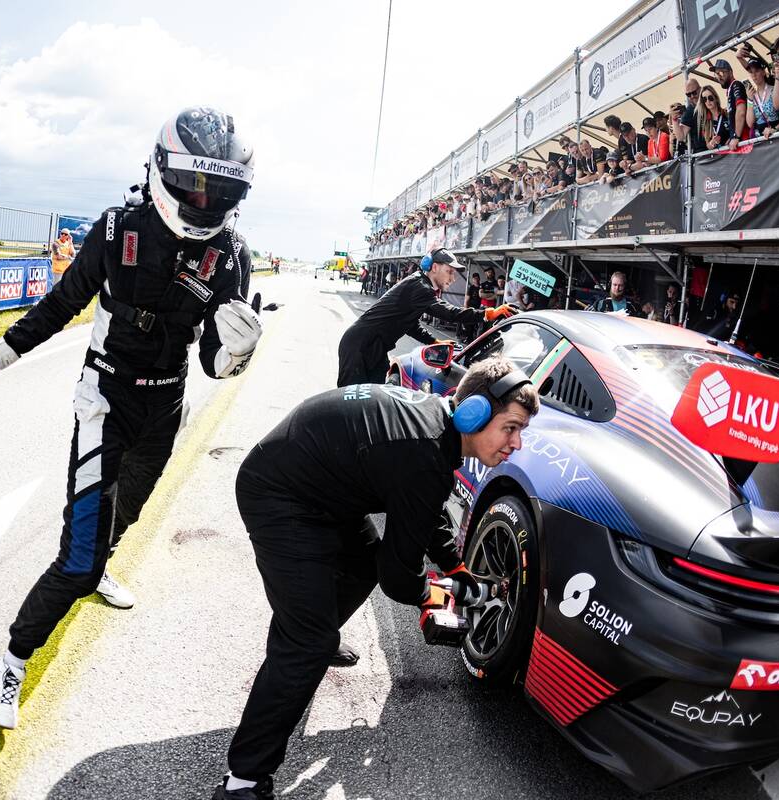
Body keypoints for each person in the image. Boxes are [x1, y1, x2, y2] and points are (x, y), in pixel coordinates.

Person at [0, 107, 263, 730]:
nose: (204, 201)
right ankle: (13, 659)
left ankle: (98, 567)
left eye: (219, 191)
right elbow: (59, 305)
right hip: (105, 403)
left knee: (126, 516)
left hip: (167, 407)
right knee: (78, 560)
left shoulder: (230, 254)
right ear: (163, 171)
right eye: (195, 185)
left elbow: (211, 362)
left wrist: (237, 353)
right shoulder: (117, 229)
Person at [213, 358, 540, 800]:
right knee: (305, 641)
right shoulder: (424, 452)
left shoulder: (436, 431)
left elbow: (425, 512)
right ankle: (243, 781)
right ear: (474, 414)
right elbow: (398, 579)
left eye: (521, 431)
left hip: (323, 487)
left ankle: (319, 633)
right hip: (280, 494)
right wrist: (435, 592)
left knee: (362, 562)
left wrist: (456, 569)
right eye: (511, 428)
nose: (516, 443)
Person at [336, 249, 513, 386]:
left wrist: (434, 341)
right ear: (435, 267)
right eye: (449, 271)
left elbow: (411, 325)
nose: (453, 278)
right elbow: (450, 313)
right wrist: (487, 314)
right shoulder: (420, 286)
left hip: (373, 347)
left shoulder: (418, 284)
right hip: (359, 346)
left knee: (371, 399)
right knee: (350, 401)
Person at [743, 57, 779, 137]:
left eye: (756, 71)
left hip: (777, 136)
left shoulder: (773, 89)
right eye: (751, 72)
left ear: (763, 72)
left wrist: (774, 129)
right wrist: (749, 100)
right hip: (761, 139)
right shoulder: (752, 96)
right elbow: (750, 123)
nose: (754, 75)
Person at [711, 58, 748, 140]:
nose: (718, 77)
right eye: (716, 74)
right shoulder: (730, 89)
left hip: (744, 139)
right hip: (738, 140)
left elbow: (741, 112)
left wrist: (736, 137)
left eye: (720, 73)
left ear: (730, 72)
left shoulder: (736, 85)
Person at [697, 86, 739, 151]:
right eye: (704, 99)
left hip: (733, 151)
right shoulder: (705, 121)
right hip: (719, 155)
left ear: (716, 98)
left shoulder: (727, 114)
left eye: (710, 98)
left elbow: (736, 131)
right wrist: (712, 143)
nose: (708, 101)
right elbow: (708, 146)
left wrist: (730, 139)